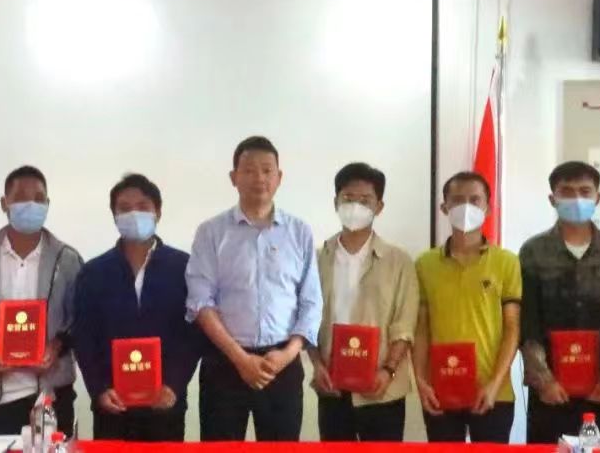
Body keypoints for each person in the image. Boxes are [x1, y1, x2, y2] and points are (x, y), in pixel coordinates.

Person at [186, 135, 322, 442]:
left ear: (279, 177)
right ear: (233, 177)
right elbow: (200, 301)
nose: (259, 178)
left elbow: (311, 301)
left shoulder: (299, 231)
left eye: (266, 170)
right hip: (224, 363)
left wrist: (289, 354)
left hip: (281, 365)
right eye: (248, 170)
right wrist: (240, 358)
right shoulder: (211, 232)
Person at [0, 165, 83, 436]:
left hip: (53, 395)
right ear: (4, 203)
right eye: (21, 197)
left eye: (39, 199)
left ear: (48, 204)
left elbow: (79, 315)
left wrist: (55, 347)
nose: (31, 205)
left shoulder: (67, 259)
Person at [74, 173, 201, 441]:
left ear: (158, 212)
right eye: (124, 208)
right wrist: (99, 390)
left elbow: (192, 333)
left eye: (143, 207)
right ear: (114, 216)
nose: (134, 214)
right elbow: (84, 338)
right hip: (112, 406)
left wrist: (174, 385)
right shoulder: (93, 272)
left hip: (165, 404)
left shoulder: (184, 267)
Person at [519, 161, 600, 443]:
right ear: (553, 199)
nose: (576, 199)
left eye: (585, 192)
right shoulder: (533, 251)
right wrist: (544, 381)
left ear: (598, 198)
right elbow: (528, 323)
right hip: (551, 387)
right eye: (567, 192)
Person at [309, 163, 419, 442]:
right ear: (335, 202)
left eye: (365, 200)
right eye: (348, 198)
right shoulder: (316, 259)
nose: (355, 206)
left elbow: (405, 324)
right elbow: (306, 320)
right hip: (332, 387)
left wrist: (388, 370)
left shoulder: (399, 261)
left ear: (378, 207)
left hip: (382, 389)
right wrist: (316, 365)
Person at [413, 172, 521, 443]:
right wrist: (420, 381)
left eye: (475, 200)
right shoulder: (425, 264)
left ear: (488, 207)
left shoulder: (507, 262)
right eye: (458, 200)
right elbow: (421, 329)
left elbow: (512, 328)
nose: (466, 207)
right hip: (440, 390)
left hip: (493, 392)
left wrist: (495, 383)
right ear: (444, 207)